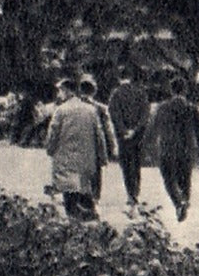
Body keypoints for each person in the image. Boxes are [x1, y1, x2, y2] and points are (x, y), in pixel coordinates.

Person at [45, 78, 108, 221]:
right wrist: (102, 156)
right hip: (87, 159)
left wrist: (50, 149)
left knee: (69, 194)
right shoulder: (91, 110)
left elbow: (53, 133)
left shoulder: (61, 110)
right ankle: (91, 217)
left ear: (66, 91)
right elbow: (99, 135)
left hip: (65, 159)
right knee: (85, 191)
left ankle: (75, 220)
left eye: (60, 91)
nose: (59, 95)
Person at [148, 73, 199, 220]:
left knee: (168, 179)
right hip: (186, 149)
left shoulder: (162, 108)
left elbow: (154, 128)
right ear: (185, 90)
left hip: (167, 148)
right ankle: (185, 199)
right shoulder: (192, 109)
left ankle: (177, 202)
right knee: (185, 178)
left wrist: (150, 146)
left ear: (171, 90)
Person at [107, 66, 151, 205]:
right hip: (138, 136)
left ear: (119, 78)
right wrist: (135, 129)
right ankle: (136, 190)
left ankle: (130, 194)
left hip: (122, 136)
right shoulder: (141, 93)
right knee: (137, 163)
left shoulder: (116, 94)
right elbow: (145, 114)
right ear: (131, 78)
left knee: (126, 165)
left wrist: (123, 130)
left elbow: (114, 113)